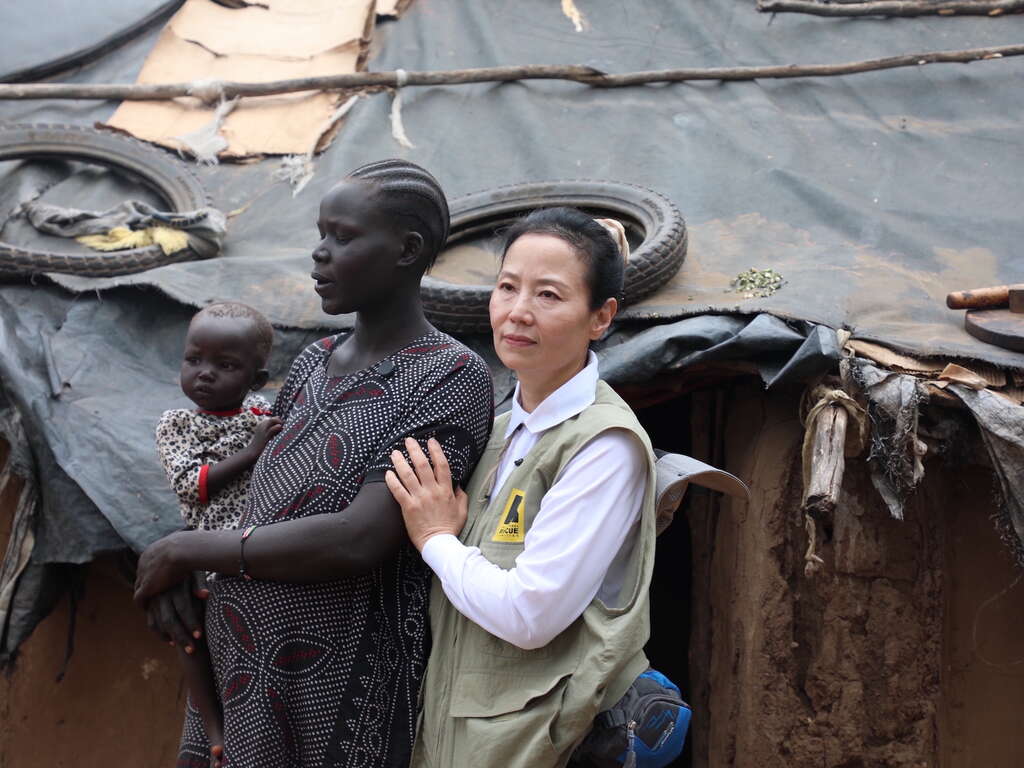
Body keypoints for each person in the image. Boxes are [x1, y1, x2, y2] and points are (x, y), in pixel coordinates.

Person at [134, 160, 494, 768]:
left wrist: (186, 551)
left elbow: (359, 538)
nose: (319, 254)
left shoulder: (448, 375)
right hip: (239, 680)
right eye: (321, 234)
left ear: (407, 250)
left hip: (332, 693)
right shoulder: (313, 362)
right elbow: (261, 508)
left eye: (344, 237)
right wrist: (193, 580)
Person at [385, 207, 659, 768]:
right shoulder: (501, 427)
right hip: (451, 734)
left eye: (549, 296)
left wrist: (437, 539)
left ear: (600, 317)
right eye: (507, 287)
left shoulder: (604, 445)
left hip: (529, 744)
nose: (517, 312)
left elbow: (529, 616)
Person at [155, 300, 282, 767]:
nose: (205, 374)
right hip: (208, 552)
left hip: (259, 549)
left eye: (225, 365)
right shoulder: (177, 425)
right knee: (190, 640)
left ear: (255, 379)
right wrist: (250, 453)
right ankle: (213, 729)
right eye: (194, 360)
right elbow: (193, 486)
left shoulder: (262, 414)